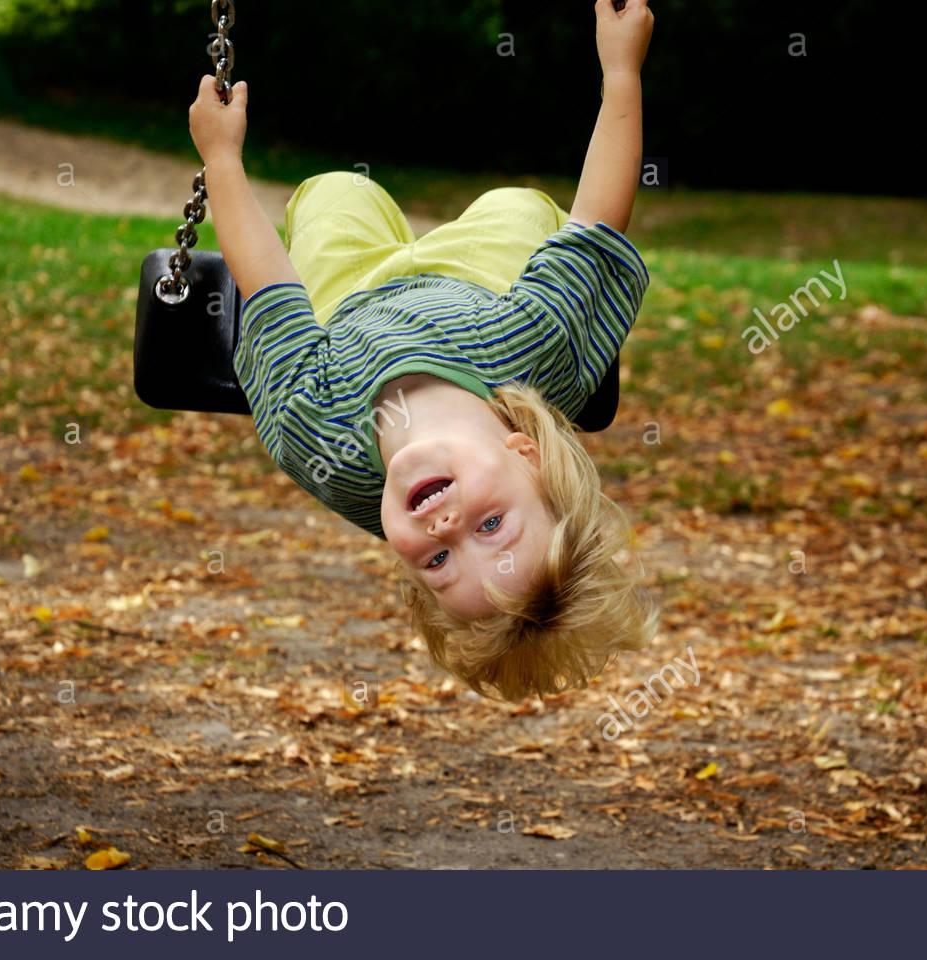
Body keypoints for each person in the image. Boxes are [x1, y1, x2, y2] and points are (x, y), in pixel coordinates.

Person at [188, 0, 658, 701]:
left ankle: (350, 203)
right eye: (492, 525)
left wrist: (221, 157)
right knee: (524, 208)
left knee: (334, 190)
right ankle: (504, 213)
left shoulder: (311, 430)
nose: (445, 527)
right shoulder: (535, 344)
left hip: (343, 303)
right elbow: (595, 218)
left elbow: (267, 281)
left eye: (438, 561)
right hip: (480, 283)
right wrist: (622, 69)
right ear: (526, 455)